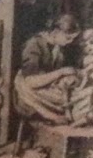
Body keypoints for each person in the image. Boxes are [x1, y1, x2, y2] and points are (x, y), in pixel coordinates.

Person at [12, 13, 81, 144]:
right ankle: (50, 115)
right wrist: (61, 72)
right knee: (66, 100)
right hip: (27, 90)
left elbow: (53, 75)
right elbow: (30, 82)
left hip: (45, 86)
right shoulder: (34, 44)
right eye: (68, 37)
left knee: (73, 94)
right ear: (55, 32)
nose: (70, 41)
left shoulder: (58, 48)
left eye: (73, 38)